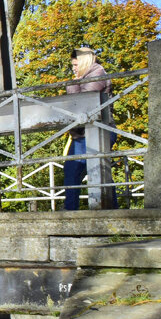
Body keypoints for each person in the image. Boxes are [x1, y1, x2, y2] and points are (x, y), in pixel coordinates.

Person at [62, 46, 111, 211]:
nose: (73, 69)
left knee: (96, 171)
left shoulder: (98, 74)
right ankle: (70, 210)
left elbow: (82, 102)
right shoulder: (84, 78)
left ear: (84, 62)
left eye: (75, 65)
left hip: (98, 130)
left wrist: (74, 83)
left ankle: (105, 210)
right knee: (73, 170)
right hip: (81, 133)